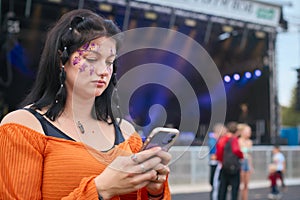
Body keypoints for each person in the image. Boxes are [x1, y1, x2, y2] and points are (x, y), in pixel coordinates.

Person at [0, 9, 171, 200]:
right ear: (61, 60)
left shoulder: (127, 133)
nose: (103, 71)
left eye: (109, 62)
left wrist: (154, 192)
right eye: (91, 59)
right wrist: (100, 190)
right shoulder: (23, 127)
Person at [216, 121, 243, 200]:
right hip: (234, 167)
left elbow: (219, 151)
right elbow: (236, 150)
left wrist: (221, 160)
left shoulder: (223, 139)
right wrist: (241, 156)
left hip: (224, 166)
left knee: (222, 189)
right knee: (234, 190)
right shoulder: (234, 139)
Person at [208, 123, 227, 200]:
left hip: (218, 164)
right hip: (215, 164)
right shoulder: (213, 141)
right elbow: (213, 156)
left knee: (218, 185)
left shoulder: (218, 140)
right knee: (215, 185)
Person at [237, 123, 254, 200]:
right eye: (247, 131)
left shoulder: (250, 142)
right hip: (241, 162)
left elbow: (250, 155)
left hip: (247, 162)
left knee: (246, 184)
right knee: (241, 184)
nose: (249, 133)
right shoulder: (238, 141)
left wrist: (251, 166)